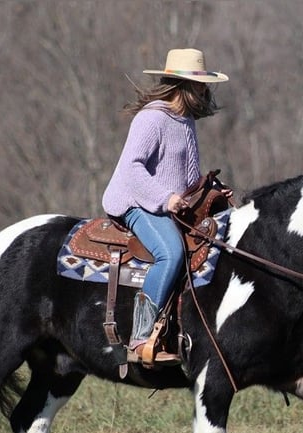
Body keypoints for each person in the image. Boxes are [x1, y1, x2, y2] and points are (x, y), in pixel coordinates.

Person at [102, 48, 229, 365]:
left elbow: (186, 177)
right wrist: (166, 198)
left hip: (165, 205)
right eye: (199, 84)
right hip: (134, 202)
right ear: (183, 85)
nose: (205, 90)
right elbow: (133, 169)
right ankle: (140, 338)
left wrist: (207, 191)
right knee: (170, 253)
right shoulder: (152, 118)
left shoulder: (185, 122)